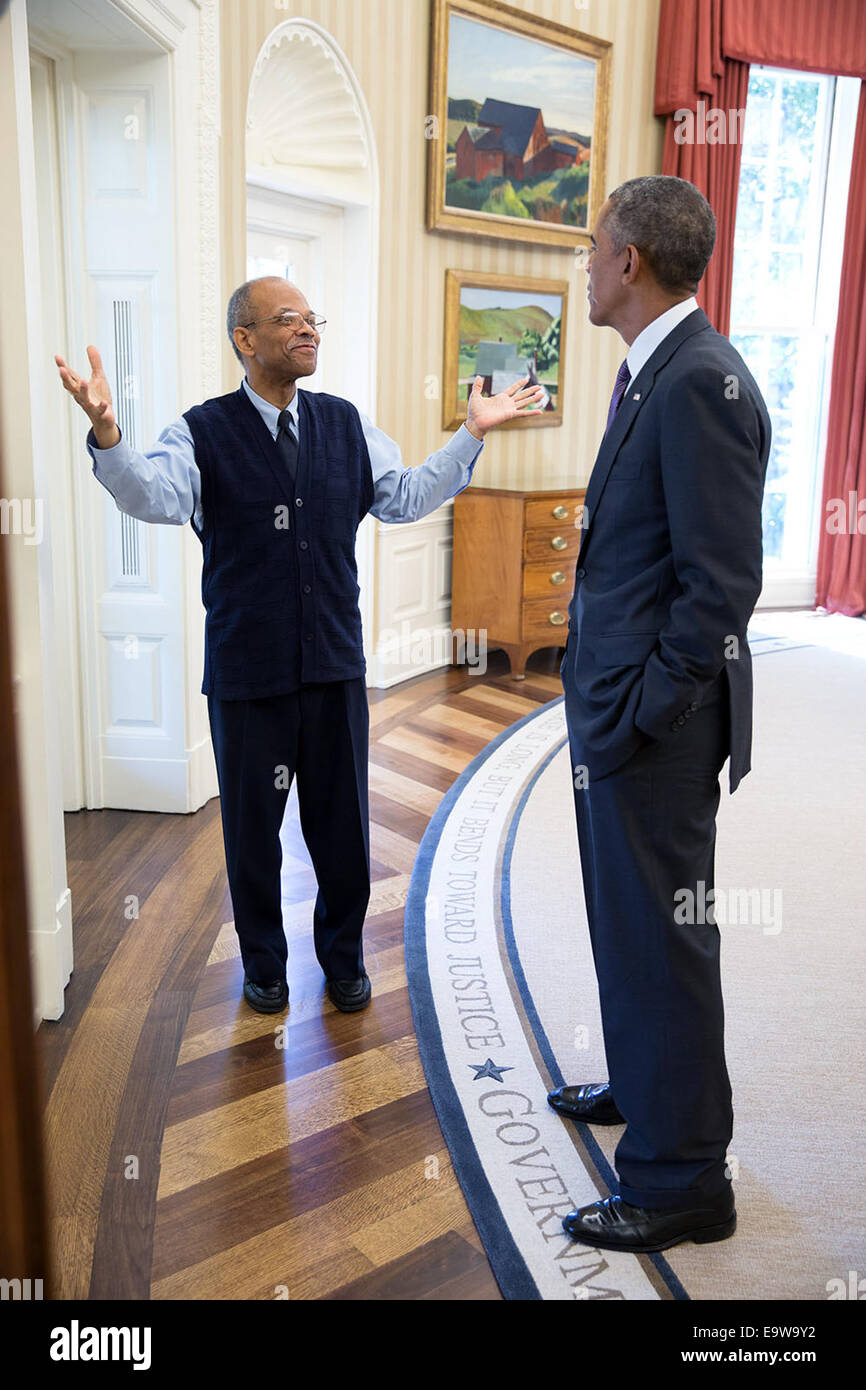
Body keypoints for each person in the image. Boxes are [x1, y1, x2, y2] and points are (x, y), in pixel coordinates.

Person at [56, 276, 543, 1016]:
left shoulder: (346, 423)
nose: (308, 330)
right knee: (253, 835)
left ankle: (342, 959)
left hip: (333, 666)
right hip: (248, 672)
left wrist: (469, 433)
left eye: (312, 319)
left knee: (342, 828)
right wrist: (108, 436)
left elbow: (406, 497)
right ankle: (265, 967)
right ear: (244, 341)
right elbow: (152, 498)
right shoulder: (201, 430)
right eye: (287, 320)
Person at [552, 176, 770, 1252]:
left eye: (594, 248)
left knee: (666, 938)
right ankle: (647, 1087)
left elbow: (719, 585)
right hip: (615, 714)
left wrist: (641, 712)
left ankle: (683, 1179)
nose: (586, 265)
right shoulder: (655, 371)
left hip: (655, 728)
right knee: (629, 929)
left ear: (629, 261)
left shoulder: (697, 383)